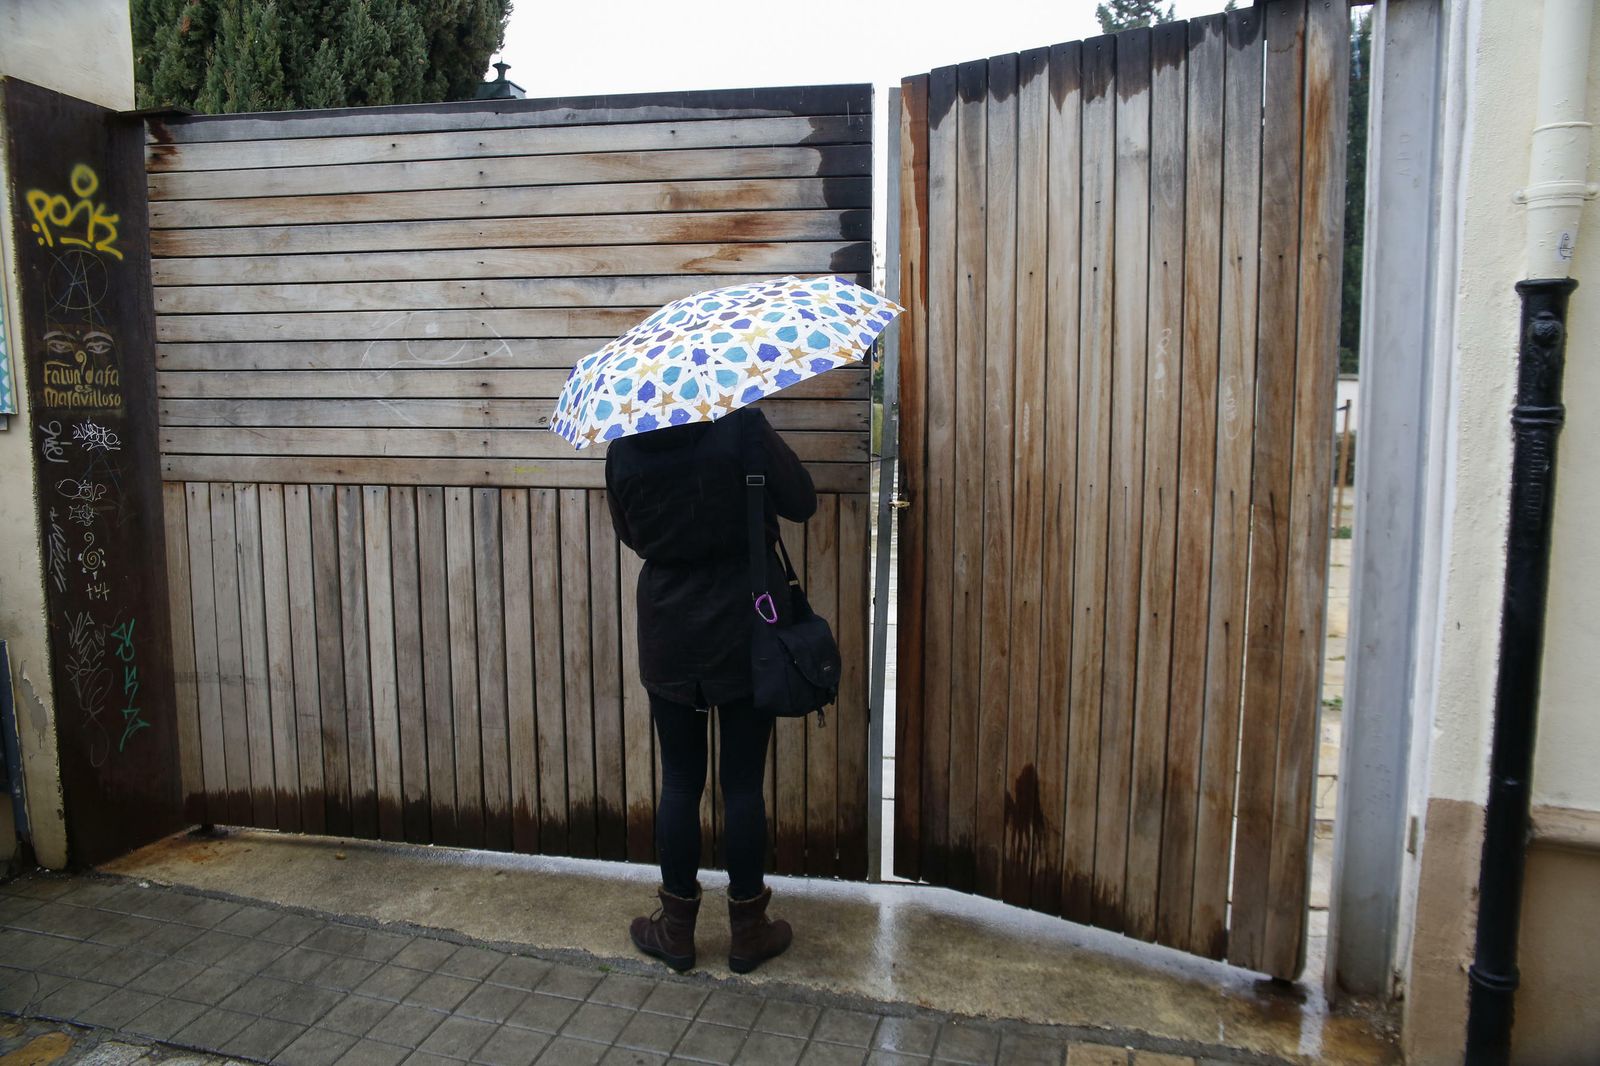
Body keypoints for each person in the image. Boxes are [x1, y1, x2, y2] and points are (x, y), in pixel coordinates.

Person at [604, 405, 817, 974]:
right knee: (743, 783)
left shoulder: (623, 443)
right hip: (749, 623)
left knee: (680, 779)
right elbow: (802, 500)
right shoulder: (742, 425)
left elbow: (628, 532)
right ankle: (748, 930)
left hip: (669, 627)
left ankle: (676, 931)